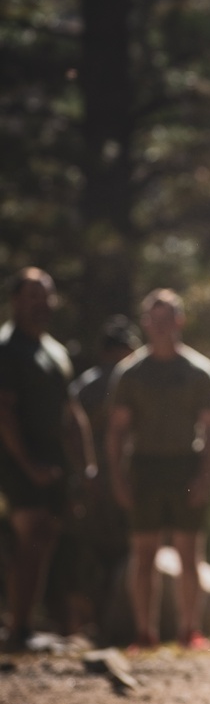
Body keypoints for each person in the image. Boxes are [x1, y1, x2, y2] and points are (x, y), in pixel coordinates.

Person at [106, 289, 210, 649]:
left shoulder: (199, 372)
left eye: (167, 318)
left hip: (185, 467)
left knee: (190, 555)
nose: (160, 326)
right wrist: (118, 478)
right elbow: (116, 432)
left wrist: (204, 477)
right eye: (153, 320)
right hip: (145, 467)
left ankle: (191, 629)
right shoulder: (130, 374)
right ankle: (146, 633)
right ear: (145, 324)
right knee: (144, 556)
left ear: (179, 321)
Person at [0, 269, 95, 649]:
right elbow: (4, 413)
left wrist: (86, 464)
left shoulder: (54, 351)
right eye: (33, 295)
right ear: (16, 300)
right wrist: (28, 465)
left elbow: (71, 412)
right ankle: (18, 629)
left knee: (46, 537)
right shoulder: (8, 348)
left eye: (47, 295)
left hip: (55, 461)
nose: (42, 303)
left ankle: (23, 626)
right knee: (32, 534)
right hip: (20, 458)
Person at [70, 314, 142, 641]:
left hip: (92, 480)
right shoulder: (133, 379)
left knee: (93, 553)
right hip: (126, 479)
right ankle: (119, 624)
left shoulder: (83, 385)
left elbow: (67, 432)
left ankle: (95, 624)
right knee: (129, 550)